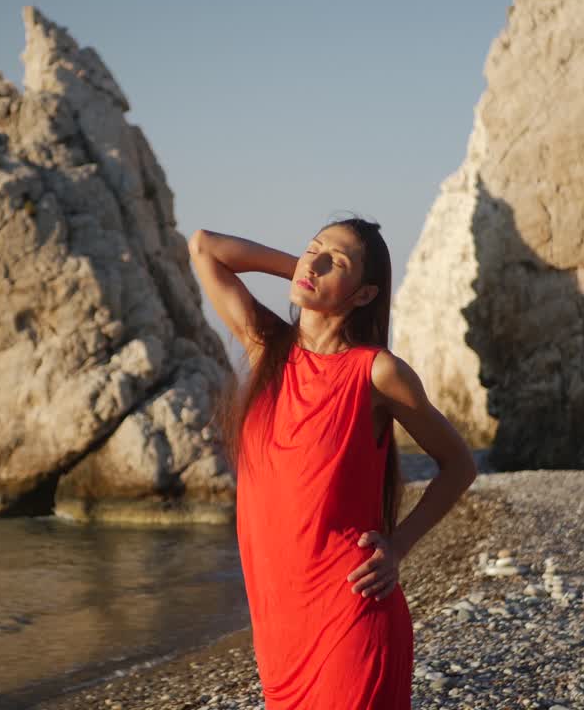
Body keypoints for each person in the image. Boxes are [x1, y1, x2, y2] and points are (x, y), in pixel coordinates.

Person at [188, 216, 479, 709]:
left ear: (365, 295)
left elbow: (458, 465)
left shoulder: (377, 372)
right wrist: (307, 271)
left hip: (351, 614)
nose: (315, 263)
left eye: (336, 262)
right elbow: (204, 248)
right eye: (313, 250)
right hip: (279, 629)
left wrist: (398, 546)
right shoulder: (268, 349)